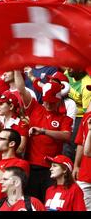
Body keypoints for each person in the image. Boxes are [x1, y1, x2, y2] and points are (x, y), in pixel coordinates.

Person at [15, 70, 72, 202]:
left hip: (52, 169)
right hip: (31, 166)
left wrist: (43, 131)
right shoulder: (35, 107)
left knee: (48, 202)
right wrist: (16, 69)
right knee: (31, 202)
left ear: (59, 100)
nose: (48, 104)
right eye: (46, 101)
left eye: (52, 102)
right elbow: (22, 90)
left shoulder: (65, 119)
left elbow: (66, 136)